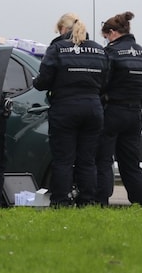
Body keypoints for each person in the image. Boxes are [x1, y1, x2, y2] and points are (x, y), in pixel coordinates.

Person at [33, 13, 109, 206]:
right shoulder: (100, 50)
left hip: (65, 109)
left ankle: (61, 201)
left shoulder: (57, 48)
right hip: (93, 109)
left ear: (64, 29)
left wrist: (37, 81)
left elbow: (43, 81)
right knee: (88, 160)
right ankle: (87, 200)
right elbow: (106, 81)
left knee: (63, 159)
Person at [94, 12, 142, 207]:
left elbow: (102, 82)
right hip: (135, 113)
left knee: (103, 160)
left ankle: (100, 201)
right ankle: (141, 203)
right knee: (131, 163)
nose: (105, 41)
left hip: (111, 111)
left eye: (105, 37)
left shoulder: (111, 53)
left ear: (112, 33)